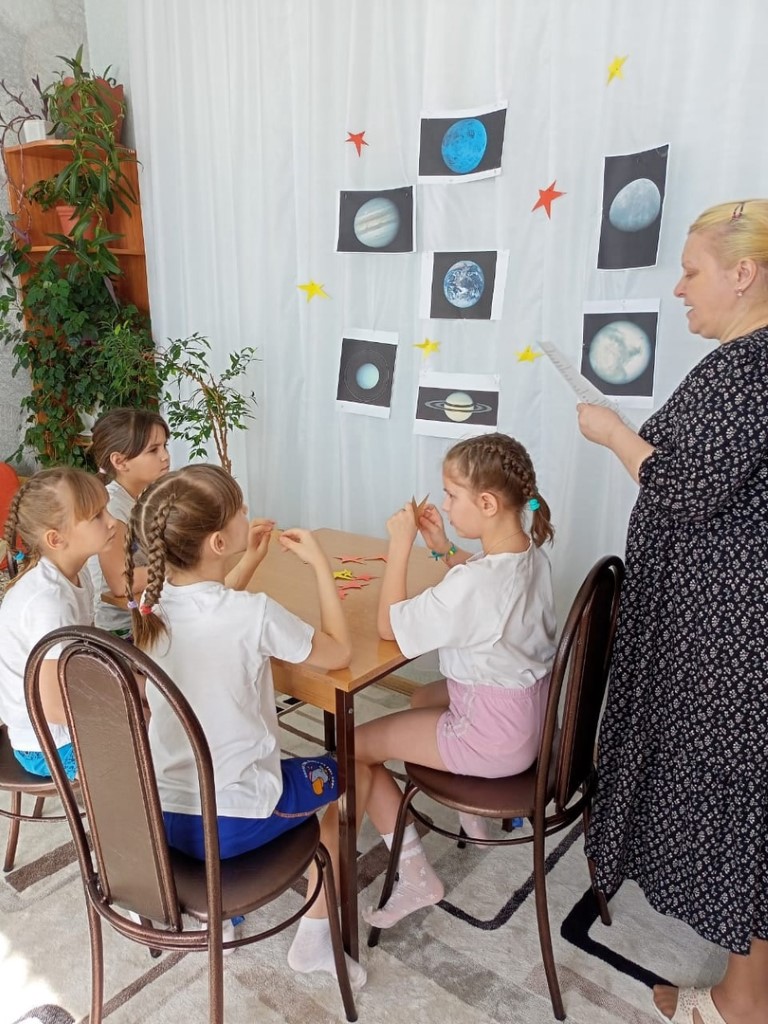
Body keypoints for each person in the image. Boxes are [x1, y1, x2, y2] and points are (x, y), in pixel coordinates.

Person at [577, 200, 768, 1024]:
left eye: (692, 271)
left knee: (739, 807)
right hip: (730, 625)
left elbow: (688, 489)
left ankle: (742, 1002)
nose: (680, 287)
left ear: (743, 273)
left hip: (726, 640)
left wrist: (613, 433)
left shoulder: (748, 367)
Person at [124, 464, 365, 989]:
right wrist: (321, 569)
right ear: (217, 541)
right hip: (233, 821)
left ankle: (215, 912)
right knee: (355, 776)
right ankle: (315, 939)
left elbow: (210, 609)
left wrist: (250, 559)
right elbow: (340, 653)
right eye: (240, 510)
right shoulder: (253, 614)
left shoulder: (150, 607)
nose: (248, 514)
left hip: (161, 817)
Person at [329, 432, 557, 929]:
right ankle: (473, 818)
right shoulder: (531, 554)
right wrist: (442, 548)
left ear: (487, 503)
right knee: (421, 699)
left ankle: (416, 878)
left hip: (491, 739)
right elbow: (483, 580)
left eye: (452, 496)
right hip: (530, 720)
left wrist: (400, 545)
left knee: (353, 747)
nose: (447, 506)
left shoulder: (473, 585)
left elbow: (389, 626)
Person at [0, 467, 115, 778]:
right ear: (56, 538)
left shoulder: (78, 573)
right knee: (150, 753)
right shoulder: (49, 602)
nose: (112, 521)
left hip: (64, 723)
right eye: (97, 516)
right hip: (46, 745)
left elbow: (86, 655)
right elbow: (54, 708)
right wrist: (121, 711)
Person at [87, 407, 172, 638]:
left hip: (149, 610)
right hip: (120, 632)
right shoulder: (112, 507)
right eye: (153, 450)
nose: (165, 456)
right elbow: (120, 582)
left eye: (165, 446)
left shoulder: (143, 497)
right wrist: (180, 567)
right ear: (120, 461)